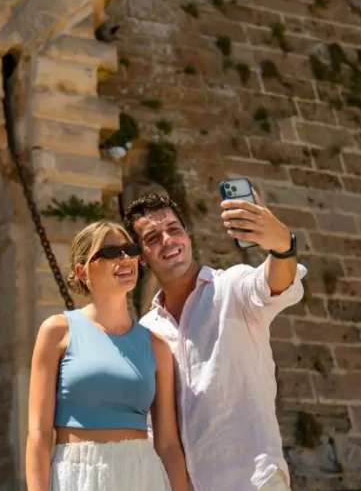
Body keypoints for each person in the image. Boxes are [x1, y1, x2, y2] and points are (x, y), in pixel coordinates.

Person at [124, 191, 307, 491]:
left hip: (253, 482)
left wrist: (283, 247)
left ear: (187, 235)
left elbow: (276, 284)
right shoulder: (146, 331)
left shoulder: (232, 287)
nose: (168, 241)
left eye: (174, 229)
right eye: (153, 238)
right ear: (141, 257)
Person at [26, 221, 189, 491]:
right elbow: (39, 434)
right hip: (76, 475)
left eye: (130, 250)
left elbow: (169, 444)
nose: (125, 258)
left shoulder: (156, 346)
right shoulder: (57, 332)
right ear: (82, 272)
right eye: (111, 252)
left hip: (142, 475)